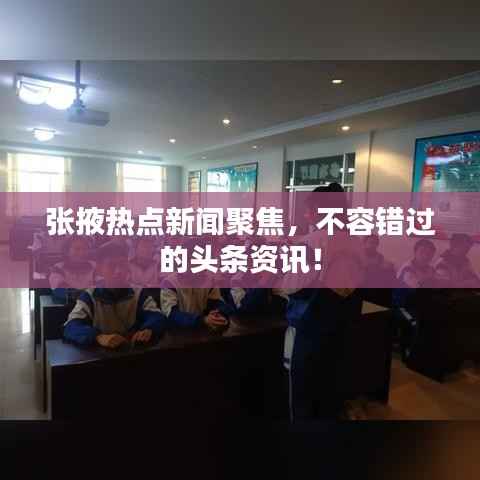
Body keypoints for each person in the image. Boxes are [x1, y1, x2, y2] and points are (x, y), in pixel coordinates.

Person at [283, 183, 366, 422]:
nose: (305, 215)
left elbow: (291, 286)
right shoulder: (356, 241)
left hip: (310, 328)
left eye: (308, 209)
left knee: (303, 392)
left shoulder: (311, 242)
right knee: (330, 387)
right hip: (343, 325)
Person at [63, 241, 166, 348]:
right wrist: (98, 337)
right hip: (101, 355)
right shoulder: (89, 296)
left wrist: (149, 329)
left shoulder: (139, 293)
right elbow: (71, 326)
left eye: (122, 265)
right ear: (100, 269)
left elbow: (157, 316)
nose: (118, 271)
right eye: (111, 266)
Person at [161, 282, 231, 332]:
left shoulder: (209, 280)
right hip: (178, 334)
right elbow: (172, 315)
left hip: (204, 329)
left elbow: (217, 303)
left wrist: (218, 315)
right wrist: (203, 320)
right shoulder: (169, 283)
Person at [48, 236, 96, 303]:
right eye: (77, 249)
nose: (82, 253)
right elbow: (60, 292)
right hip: (67, 306)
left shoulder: (95, 266)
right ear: (67, 251)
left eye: (85, 249)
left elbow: (102, 288)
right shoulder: (58, 268)